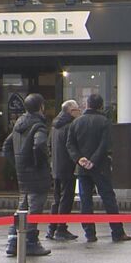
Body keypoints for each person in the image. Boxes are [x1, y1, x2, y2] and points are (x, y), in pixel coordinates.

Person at [66, 94, 131, 243]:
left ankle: (90, 233)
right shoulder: (104, 122)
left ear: (87, 104)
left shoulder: (76, 122)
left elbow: (70, 144)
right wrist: (94, 160)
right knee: (108, 198)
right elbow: (105, 145)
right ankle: (117, 232)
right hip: (101, 166)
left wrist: (79, 159)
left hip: (82, 168)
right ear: (101, 106)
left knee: (85, 201)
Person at [2, 93, 51, 257]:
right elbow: (39, 145)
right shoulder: (39, 126)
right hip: (36, 174)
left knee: (22, 206)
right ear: (41, 107)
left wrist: (18, 163)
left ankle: (13, 240)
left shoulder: (18, 125)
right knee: (35, 207)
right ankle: (31, 242)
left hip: (22, 174)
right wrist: (39, 162)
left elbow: (6, 146)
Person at [46, 100, 82, 241]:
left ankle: (52, 228)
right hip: (67, 167)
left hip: (56, 166)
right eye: (77, 110)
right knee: (66, 198)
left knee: (57, 199)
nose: (79, 112)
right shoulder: (70, 126)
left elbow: (48, 145)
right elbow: (72, 146)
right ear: (70, 111)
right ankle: (61, 228)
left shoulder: (54, 126)